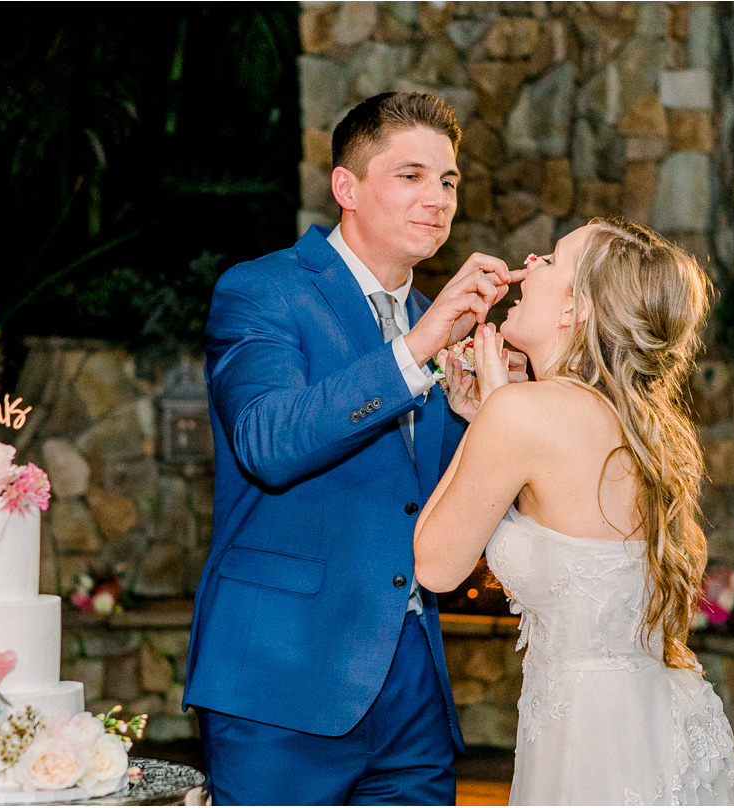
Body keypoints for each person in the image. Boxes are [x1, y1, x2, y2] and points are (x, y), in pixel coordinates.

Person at [183, 92, 528, 805]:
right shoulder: (264, 291)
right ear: (347, 187)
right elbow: (268, 442)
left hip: (411, 690)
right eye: (410, 176)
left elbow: (417, 499)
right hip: (280, 680)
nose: (436, 198)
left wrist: (470, 420)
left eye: (448, 181)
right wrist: (416, 350)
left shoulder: (436, 322)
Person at [415, 218, 734, 805]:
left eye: (549, 260)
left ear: (578, 310)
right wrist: (490, 415)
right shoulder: (639, 423)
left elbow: (435, 566)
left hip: (586, 748)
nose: (530, 260)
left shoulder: (522, 414)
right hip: (657, 723)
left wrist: (490, 416)